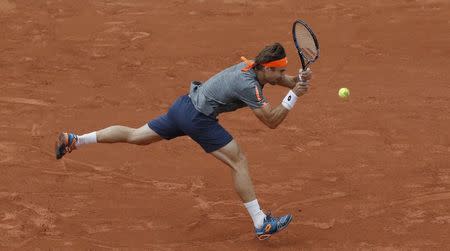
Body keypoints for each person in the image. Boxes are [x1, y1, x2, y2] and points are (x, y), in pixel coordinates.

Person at [55, 42, 312, 240]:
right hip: (199, 119)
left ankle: (76, 139)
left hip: (183, 106)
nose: (282, 75)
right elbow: (271, 121)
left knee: (136, 136)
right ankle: (260, 222)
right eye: (279, 71)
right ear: (265, 68)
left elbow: (279, 80)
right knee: (239, 161)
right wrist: (293, 95)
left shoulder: (254, 66)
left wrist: (296, 80)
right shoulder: (248, 86)